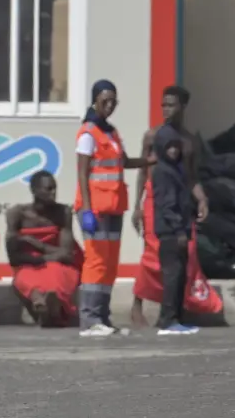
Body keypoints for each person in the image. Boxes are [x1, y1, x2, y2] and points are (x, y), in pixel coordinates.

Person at [131, 86, 220, 326]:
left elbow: (191, 177)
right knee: (152, 254)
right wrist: (137, 205)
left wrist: (202, 199)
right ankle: (137, 305)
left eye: (171, 105)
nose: (166, 110)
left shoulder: (189, 141)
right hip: (155, 200)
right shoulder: (153, 136)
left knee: (185, 254)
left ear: (182, 107)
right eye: (163, 105)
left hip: (180, 202)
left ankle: (175, 309)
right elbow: (142, 172)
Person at [74, 79, 153, 337]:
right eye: (104, 100)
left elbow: (123, 162)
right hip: (94, 208)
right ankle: (89, 320)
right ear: (94, 100)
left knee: (109, 264)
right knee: (95, 261)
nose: (109, 106)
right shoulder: (88, 133)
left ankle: (103, 319)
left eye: (113, 101)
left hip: (113, 207)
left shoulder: (111, 132)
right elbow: (83, 173)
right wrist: (86, 209)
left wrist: (150, 160)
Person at [6, 171, 83, 328]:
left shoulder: (63, 212)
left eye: (54, 188)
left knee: (56, 272)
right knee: (26, 277)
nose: (53, 193)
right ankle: (43, 304)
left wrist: (36, 244)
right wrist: (42, 258)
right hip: (29, 265)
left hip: (58, 265)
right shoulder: (17, 214)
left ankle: (48, 306)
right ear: (34, 190)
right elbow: (13, 257)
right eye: (48, 189)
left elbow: (67, 255)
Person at [149, 124, 202, 335]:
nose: (173, 151)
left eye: (176, 146)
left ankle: (176, 318)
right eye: (169, 146)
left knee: (180, 276)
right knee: (172, 276)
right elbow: (166, 205)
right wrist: (179, 230)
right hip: (171, 232)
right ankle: (168, 320)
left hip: (179, 230)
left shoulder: (175, 169)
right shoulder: (162, 171)